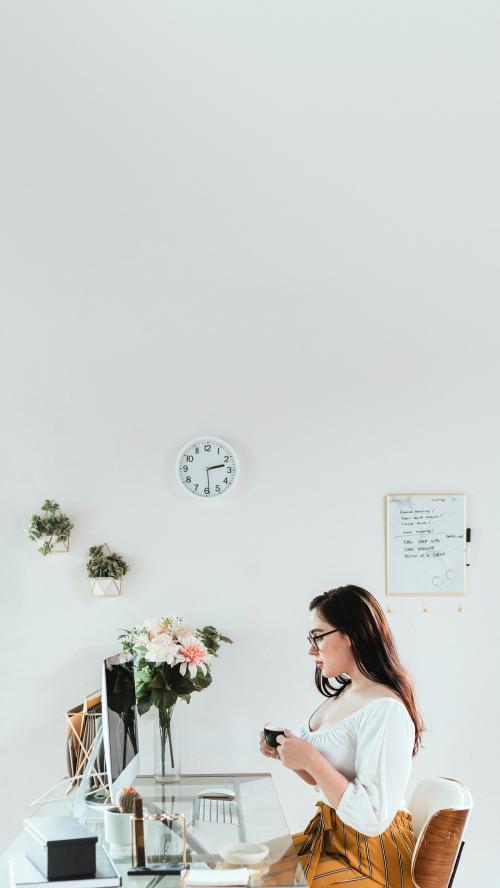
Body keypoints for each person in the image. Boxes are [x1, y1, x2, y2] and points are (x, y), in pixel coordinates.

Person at [259, 585, 424, 888]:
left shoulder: (385, 709)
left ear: (351, 633)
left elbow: (373, 817)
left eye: (318, 636)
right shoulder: (345, 694)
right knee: (234, 867)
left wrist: (310, 758)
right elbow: (324, 780)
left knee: (252, 879)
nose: (311, 649)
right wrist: (293, 755)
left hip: (374, 857)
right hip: (335, 839)